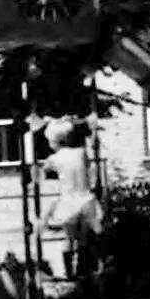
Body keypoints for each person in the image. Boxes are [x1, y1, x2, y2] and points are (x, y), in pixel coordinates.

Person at [41, 118, 103, 282]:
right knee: (84, 237)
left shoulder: (54, 159)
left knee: (68, 238)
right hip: (86, 197)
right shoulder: (81, 153)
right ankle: (83, 269)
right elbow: (88, 166)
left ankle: (69, 273)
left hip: (69, 200)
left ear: (55, 141)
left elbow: (45, 171)